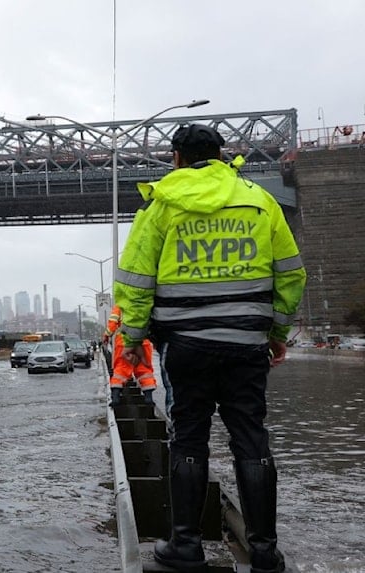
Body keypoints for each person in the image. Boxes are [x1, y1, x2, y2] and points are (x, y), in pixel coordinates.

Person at [114, 123, 306, 573]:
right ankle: (263, 551)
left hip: (186, 347)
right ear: (222, 156)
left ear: (175, 158)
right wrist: (277, 332)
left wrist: (134, 339)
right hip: (246, 345)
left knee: (189, 439)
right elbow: (291, 274)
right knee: (251, 440)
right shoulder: (260, 202)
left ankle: (186, 546)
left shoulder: (161, 204)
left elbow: (136, 282)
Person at [103, 304, 155, 406]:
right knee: (144, 370)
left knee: (121, 369)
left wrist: (106, 335)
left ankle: (116, 397)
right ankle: (148, 398)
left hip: (124, 342)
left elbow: (112, 324)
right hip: (143, 340)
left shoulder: (120, 306)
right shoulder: (145, 303)